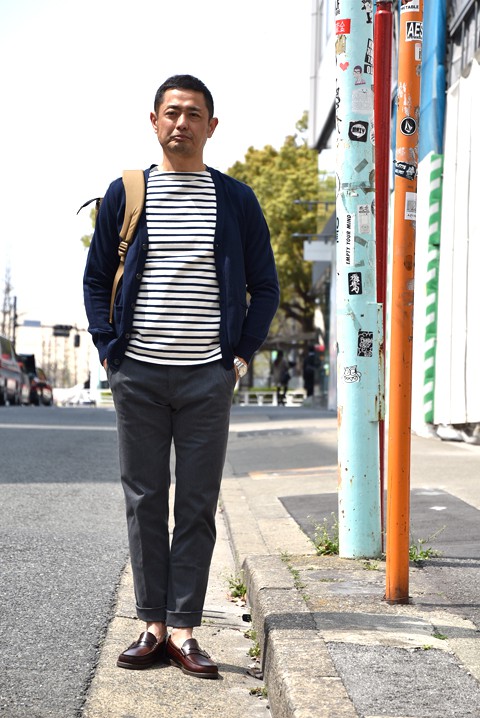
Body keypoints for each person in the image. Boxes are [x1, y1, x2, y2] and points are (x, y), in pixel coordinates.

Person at [83, 74, 279, 679]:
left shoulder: (235, 199)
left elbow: (265, 287)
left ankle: (185, 629)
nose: (181, 123)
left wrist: (238, 358)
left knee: (196, 504)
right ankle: (152, 626)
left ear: (211, 126)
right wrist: (110, 350)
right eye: (171, 112)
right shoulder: (126, 193)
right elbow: (96, 279)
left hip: (206, 378)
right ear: (154, 121)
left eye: (194, 114)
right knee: (145, 500)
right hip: (138, 375)